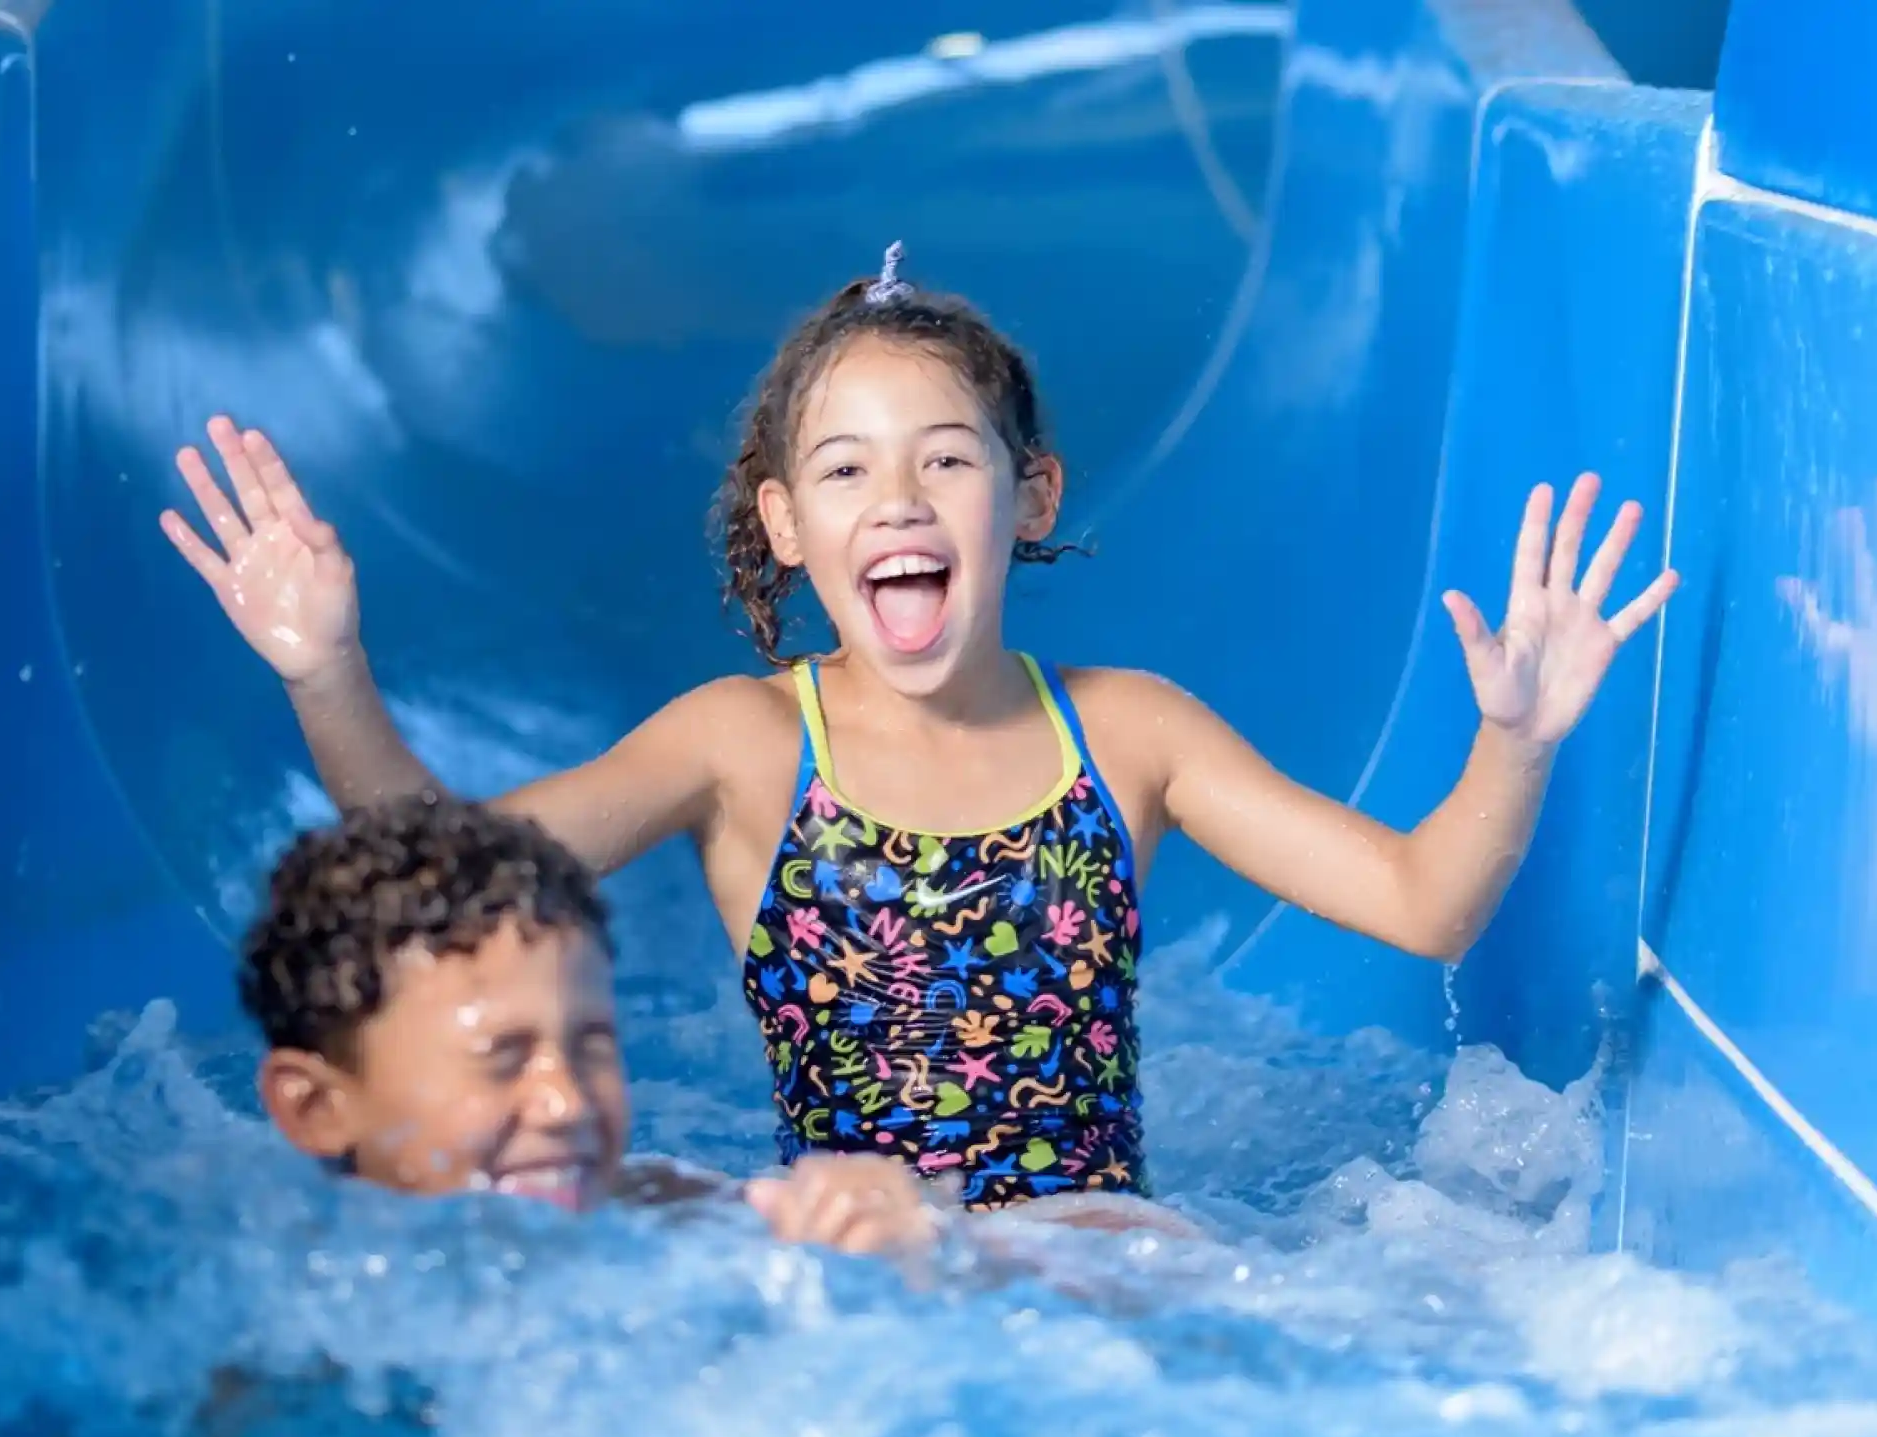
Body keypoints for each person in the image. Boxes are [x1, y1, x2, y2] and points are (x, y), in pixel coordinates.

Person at [165, 242, 1676, 1214]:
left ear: (1030, 501)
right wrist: (327, 669)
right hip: (846, 1257)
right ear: (788, 529)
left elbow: (1423, 905)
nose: (897, 500)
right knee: (652, 1204)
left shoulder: (1129, 735)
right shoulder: (744, 745)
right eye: (844, 473)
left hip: (1087, 1255)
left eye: (945, 461)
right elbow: (443, 882)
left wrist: (1518, 740)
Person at [239, 790, 938, 1253]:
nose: (566, 1101)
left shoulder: (660, 1211)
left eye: (592, 1047)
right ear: (318, 1107)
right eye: (502, 1056)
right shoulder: (285, 1344)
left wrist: (874, 1244)